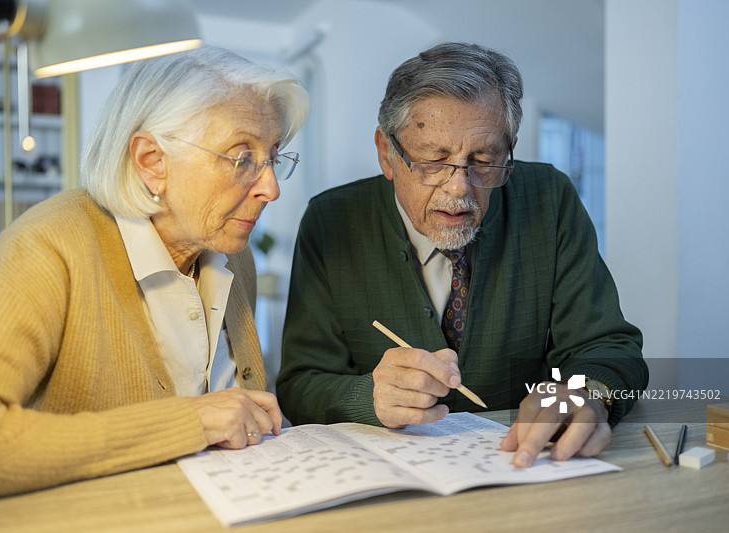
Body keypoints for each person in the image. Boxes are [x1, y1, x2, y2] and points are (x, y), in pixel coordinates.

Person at [0, 46, 309, 506]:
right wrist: (188, 422)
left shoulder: (233, 253)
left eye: (273, 157)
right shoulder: (48, 245)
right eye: (241, 158)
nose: (271, 188)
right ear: (152, 161)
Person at [277, 42, 647, 468]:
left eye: (484, 160)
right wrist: (368, 396)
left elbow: (608, 346)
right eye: (433, 160)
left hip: (528, 464)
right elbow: (300, 384)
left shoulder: (550, 199)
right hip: (390, 476)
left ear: (509, 151)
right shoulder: (330, 221)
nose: (459, 188)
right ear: (386, 153)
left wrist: (588, 392)